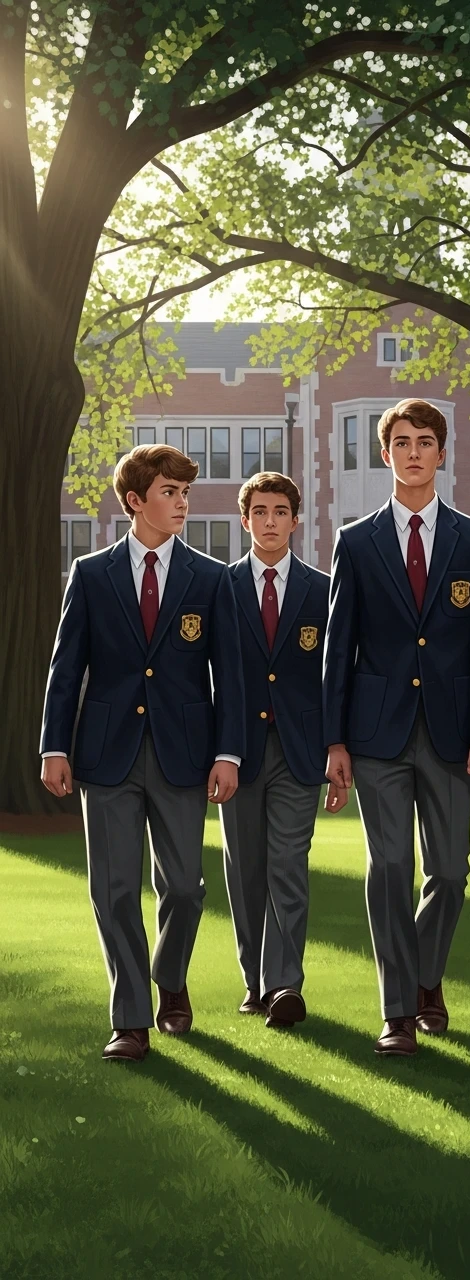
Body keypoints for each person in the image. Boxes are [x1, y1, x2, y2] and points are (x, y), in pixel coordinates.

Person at [40, 444, 245, 1062]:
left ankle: (170, 977)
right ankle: (130, 1020)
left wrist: (229, 753)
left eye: (186, 494)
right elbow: (66, 668)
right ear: (135, 501)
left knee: (184, 888)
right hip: (106, 754)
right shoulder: (91, 574)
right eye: (169, 493)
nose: (182, 504)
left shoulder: (210, 578)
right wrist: (54, 745)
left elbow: (230, 675)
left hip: (184, 751)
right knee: (114, 889)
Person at [323, 398, 470, 1056]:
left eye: (424, 441)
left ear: (442, 453)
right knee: (390, 866)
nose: (413, 452)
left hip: (454, 734)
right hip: (377, 734)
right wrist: (334, 739)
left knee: (450, 872)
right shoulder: (356, 541)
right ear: (385, 454)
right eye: (401, 441)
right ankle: (398, 1011)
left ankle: (426, 974)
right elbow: (338, 647)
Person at [222, 472, 347, 1030]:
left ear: (296, 520)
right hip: (237, 751)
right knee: (246, 871)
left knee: (289, 866)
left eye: (280, 512)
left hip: (301, 752)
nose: (269, 521)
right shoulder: (221, 586)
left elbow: (336, 676)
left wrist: (336, 748)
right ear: (244, 519)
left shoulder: (323, 591)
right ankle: (254, 981)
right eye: (259, 512)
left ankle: (284, 985)